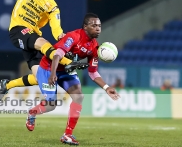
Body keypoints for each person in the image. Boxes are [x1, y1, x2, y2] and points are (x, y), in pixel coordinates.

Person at [0, 0, 88, 103]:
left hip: (32, 38)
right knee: (42, 42)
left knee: (38, 77)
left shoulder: (53, 7)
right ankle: (69, 63)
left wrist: (61, 37)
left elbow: (56, 29)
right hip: (18, 30)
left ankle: (7, 85)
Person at [25, 13, 120, 145]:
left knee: (79, 97)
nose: (98, 28)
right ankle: (32, 112)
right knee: (51, 105)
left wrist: (106, 87)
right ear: (85, 26)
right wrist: (53, 74)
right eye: (94, 25)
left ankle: (67, 135)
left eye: (99, 26)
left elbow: (93, 73)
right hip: (48, 68)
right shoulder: (73, 36)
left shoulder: (94, 47)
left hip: (65, 71)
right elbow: (57, 55)